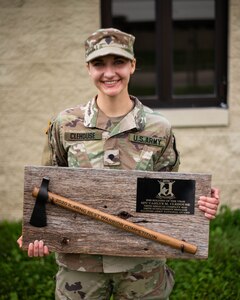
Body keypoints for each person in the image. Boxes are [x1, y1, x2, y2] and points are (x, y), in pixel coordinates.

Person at [17, 28, 220, 299]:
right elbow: (44, 188)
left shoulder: (158, 128)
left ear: (133, 65)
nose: (109, 73)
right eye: (99, 63)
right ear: (88, 68)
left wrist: (200, 204)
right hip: (80, 263)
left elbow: (169, 196)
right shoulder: (65, 124)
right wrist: (35, 231)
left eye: (119, 62)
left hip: (143, 263)